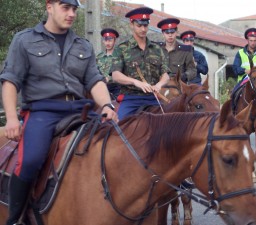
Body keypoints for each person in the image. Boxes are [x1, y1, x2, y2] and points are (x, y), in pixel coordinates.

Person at [0, 1, 118, 224]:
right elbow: (10, 81)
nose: (72, 14)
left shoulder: (83, 45)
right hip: (43, 111)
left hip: (80, 109)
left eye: (74, 9)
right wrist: (12, 119)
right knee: (30, 161)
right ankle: (14, 219)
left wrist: (107, 106)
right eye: (65, 7)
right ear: (49, 6)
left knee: (115, 146)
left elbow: (95, 81)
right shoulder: (24, 40)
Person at [111, 7, 170, 120]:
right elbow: (116, 75)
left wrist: (159, 85)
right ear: (131, 24)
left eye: (145, 25)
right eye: (139, 25)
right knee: (119, 127)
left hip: (153, 98)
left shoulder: (157, 49)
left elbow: (165, 74)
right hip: (131, 99)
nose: (143, 29)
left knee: (168, 128)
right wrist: (136, 82)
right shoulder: (122, 48)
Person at [156, 18, 196, 83]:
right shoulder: (156, 49)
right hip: (159, 86)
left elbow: (192, 70)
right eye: (167, 33)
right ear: (163, 34)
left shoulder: (185, 50)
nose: (170, 35)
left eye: (172, 32)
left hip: (177, 87)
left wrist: (184, 76)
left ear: (176, 32)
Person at [96, 28, 120, 99]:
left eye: (110, 40)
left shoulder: (119, 55)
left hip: (116, 88)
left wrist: (108, 79)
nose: (108, 43)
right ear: (103, 41)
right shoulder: (99, 57)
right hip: (102, 88)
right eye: (106, 40)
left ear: (114, 41)